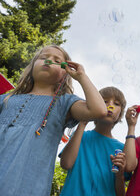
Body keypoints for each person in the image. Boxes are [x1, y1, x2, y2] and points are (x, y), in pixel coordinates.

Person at [0, 45, 107, 196]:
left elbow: (99, 110)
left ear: (65, 73)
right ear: (32, 66)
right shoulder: (7, 98)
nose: (48, 61)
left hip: (26, 187)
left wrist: (82, 76)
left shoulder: (64, 102)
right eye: (43, 57)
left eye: (57, 60)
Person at [59, 86, 131, 196]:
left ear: (120, 115)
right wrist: (83, 122)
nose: (110, 105)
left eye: (116, 104)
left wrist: (120, 175)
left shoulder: (122, 149)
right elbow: (66, 164)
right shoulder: (81, 136)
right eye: (104, 101)